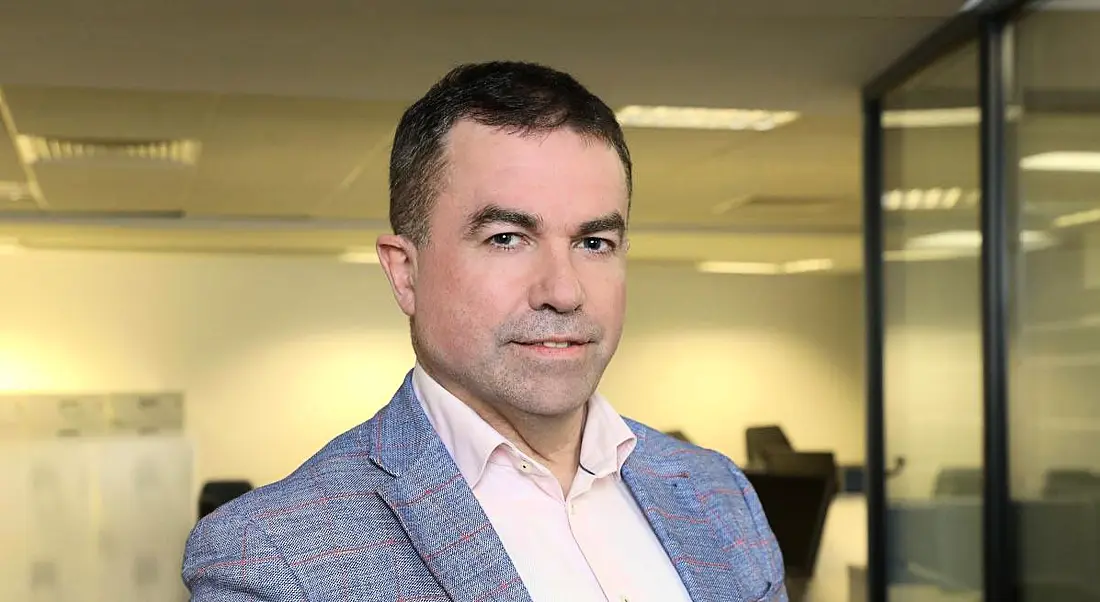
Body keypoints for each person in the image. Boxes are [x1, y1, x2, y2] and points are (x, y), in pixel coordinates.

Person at [182, 61, 787, 602]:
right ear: (405, 272)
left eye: (593, 242)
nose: (564, 290)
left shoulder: (719, 496)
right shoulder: (272, 563)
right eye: (506, 238)